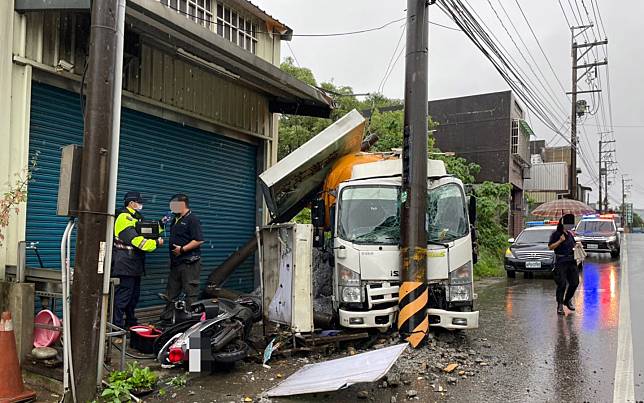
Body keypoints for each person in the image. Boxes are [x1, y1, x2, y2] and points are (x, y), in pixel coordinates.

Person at [112, 191, 164, 329]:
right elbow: (137, 241)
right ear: (131, 203)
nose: (141, 205)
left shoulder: (136, 217)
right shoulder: (124, 218)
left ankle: (131, 323)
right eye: (139, 202)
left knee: (133, 298)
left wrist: (161, 224)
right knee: (122, 298)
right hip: (124, 265)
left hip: (134, 265)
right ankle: (115, 327)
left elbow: (147, 230)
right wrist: (156, 244)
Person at [162, 194, 204, 319]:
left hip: (189, 263)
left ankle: (192, 321)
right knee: (171, 293)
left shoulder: (192, 219)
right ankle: (167, 318)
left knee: (190, 293)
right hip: (176, 263)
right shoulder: (175, 220)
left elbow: (199, 240)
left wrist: (182, 249)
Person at [548, 219, 580, 316]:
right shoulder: (556, 234)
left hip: (572, 262)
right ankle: (560, 305)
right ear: (562, 223)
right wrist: (560, 241)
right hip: (561, 262)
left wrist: (577, 246)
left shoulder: (570, 234)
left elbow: (573, 245)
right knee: (562, 284)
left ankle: (567, 300)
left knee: (575, 283)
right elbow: (550, 247)